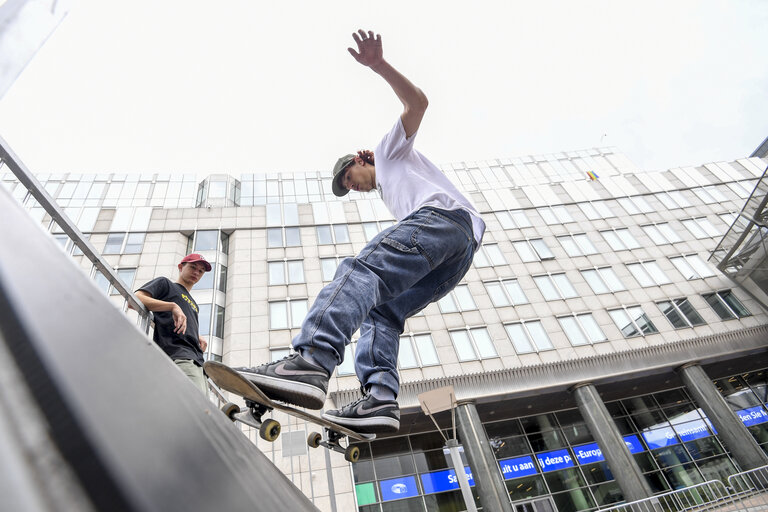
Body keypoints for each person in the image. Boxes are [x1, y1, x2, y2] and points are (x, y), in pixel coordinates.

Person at [235, 30, 485, 433]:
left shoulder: (387, 152)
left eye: (347, 176)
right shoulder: (391, 184)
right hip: (458, 251)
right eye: (345, 186)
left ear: (358, 159)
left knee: (360, 271)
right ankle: (380, 399)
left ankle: (312, 359)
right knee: (383, 311)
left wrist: (378, 65)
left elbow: (418, 103)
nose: (350, 185)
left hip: (442, 222)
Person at [135, 253, 211, 394]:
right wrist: (172, 306)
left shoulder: (194, 305)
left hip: (198, 363)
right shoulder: (166, 284)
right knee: (196, 409)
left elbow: (183, 321)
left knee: (206, 412)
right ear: (180, 267)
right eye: (193, 267)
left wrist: (197, 335)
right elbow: (135, 298)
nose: (196, 272)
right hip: (179, 355)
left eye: (201, 271)